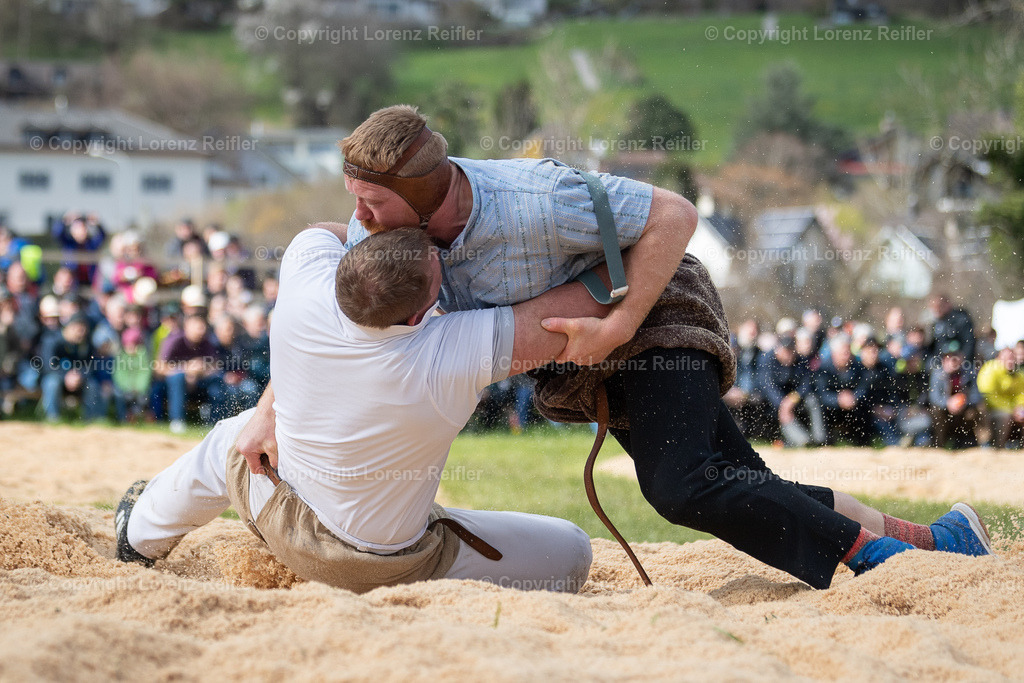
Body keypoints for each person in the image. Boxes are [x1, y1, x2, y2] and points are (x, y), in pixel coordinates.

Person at [233, 105, 993, 590]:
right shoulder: (385, 234)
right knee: (739, 482)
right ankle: (941, 538)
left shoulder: (539, 199)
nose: (356, 214)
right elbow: (324, 319)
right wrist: (273, 408)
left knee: (686, 485)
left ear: (427, 192)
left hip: (656, 316)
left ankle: (879, 561)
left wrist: (621, 326)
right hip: (597, 343)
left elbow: (674, 213)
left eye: (370, 200)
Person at [115, 226, 597, 593]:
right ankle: (143, 528)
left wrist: (267, 406)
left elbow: (326, 230)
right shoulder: (453, 352)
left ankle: (139, 534)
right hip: (387, 564)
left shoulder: (304, 285)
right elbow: (576, 310)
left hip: (283, 515)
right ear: (416, 317)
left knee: (235, 437)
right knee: (573, 549)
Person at [156, 314, 226, 433]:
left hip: (200, 381)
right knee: (178, 377)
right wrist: (186, 369)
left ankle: (214, 422)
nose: (202, 330)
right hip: (172, 384)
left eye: (203, 326)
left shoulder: (207, 343)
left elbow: (216, 366)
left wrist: (200, 371)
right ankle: (177, 421)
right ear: (187, 326)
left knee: (217, 381)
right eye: (198, 327)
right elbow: (159, 368)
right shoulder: (174, 341)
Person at [757, 337, 825, 447]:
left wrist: (793, 399)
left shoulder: (801, 360)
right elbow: (767, 386)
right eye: (786, 351)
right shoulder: (766, 359)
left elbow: (806, 384)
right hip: (773, 402)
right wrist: (782, 404)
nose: (789, 355)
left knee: (812, 399)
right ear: (778, 350)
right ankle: (803, 441)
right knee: (783, 412)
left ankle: (819, 439)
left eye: (791, 351)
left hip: (794, 399)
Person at [815, 335, 872, 446]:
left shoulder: (858, 367)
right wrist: (838, 399)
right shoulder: (823, 368)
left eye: (848, 352)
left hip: (853, 405)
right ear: (834, 353)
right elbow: (821, 393)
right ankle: (824, 442)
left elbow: (863, 388)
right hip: (831, 407)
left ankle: (863, 443)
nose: (846, 355)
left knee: (865, 405)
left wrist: (853, 397)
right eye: (843, 352)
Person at [928, 341, 984, 449]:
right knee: (936, 411)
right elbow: (934, 397)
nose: (953, 361)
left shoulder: (968, 373)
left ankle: (972, 443)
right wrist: (948, 403)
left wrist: (963, 401)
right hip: (945, 411)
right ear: (944, 360)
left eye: (956, 357)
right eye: (949, 357)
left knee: (977, 411)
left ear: (962, 358)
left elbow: (976, 395)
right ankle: (939, 444)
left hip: (964, 411)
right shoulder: (937, 374)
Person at [976, 346, 1024, 449]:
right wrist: (1011, 409)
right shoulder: (990, 370)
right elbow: (989, 396)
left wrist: (1020, 407)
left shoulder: (1018, 374)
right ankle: (997, 447)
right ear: (999, 358)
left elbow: (1021, 394)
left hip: (1010, 409)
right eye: (1007, 358)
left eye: (1012, 358)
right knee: (1004, 416)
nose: (1010, 361)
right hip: (991, 409)